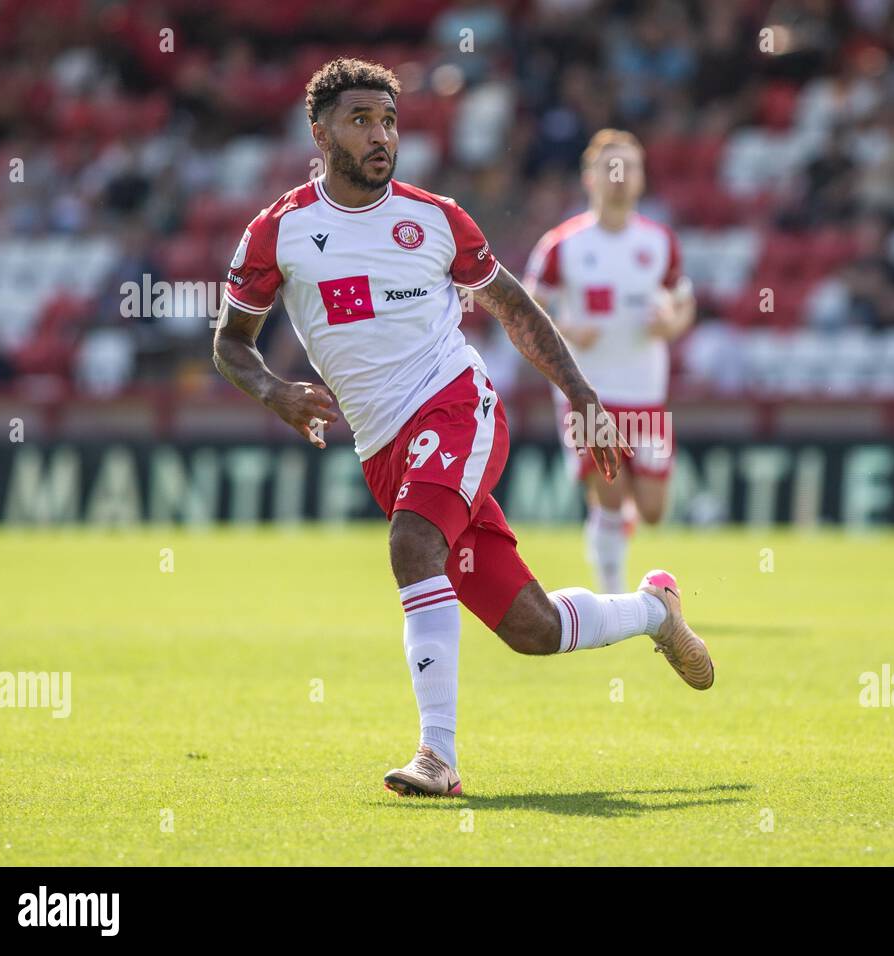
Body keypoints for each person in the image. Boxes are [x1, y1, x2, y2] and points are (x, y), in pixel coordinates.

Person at [211, 59, 714, 798]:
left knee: (413, 543)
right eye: (360, 121)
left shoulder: (437, 218)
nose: (381, 135)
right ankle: (654, 610)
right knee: (531, 628)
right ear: (319, 133)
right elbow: (230, 341)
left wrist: (580, 395)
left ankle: (436, 757)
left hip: (457, 405)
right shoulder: (278, 232)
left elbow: (514, 308)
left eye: (388, 120)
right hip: (382, 445)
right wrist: (273, 392)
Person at [524, 129, 695, 594]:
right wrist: (565, 327)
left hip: (646, 392)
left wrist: (670, 325)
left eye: (629, 168)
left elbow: (684, 304)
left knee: (655, 509)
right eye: (610, 168)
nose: (619, 178)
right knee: (611, 493)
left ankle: (610, 534)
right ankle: (615, 589)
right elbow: (528, 307)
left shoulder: (659, 242)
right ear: (590, 177)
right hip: (588, 393)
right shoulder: (563, 244)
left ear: (641, 178)